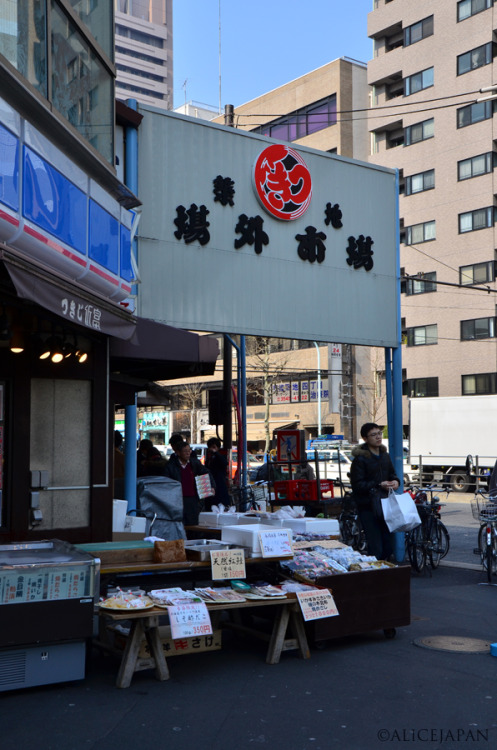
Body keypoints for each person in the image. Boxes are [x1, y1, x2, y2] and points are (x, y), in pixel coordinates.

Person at [349, 423, 400, 561]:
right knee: (375, 546)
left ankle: (383, 571)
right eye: (373, 434)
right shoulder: (360, 459)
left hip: (385, 504)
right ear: (365, 438)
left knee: (389, 545)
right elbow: (358, 485)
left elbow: (392, 474)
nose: (378, 437)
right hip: (368, 506)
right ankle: (375, 575)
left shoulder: (385, 456)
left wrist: (396, 482)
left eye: (379, 433)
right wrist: (378, 484)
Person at [165, 440, 214, 525]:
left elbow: (206, 473)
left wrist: (211, 487)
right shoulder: (170, 466)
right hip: (178, 500)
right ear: (178, 453)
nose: (188, 453)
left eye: (189, 451)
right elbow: (166, 484)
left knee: (193, 523)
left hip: (193, 499)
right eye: (185, 451)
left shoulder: (194, 463)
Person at [205, 437, 230, 508]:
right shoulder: (209, 458)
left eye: (214, 447)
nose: (212, 449)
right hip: (210, 485)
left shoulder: (221, 457)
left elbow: (225, 463)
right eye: (210, 447)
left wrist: (216, 453)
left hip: (219, 486)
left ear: (218, 448)